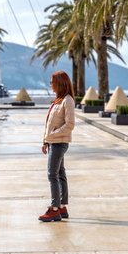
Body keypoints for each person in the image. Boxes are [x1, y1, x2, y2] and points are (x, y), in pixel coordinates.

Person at [39, 71, 75, 222]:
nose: (50, 84)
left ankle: (54, 209)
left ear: (60, 83)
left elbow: (70, 124)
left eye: (52, 81)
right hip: (54, 142)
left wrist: (53, 135)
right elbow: (51, 123)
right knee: (60, 174)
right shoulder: (59, 100)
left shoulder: (67, 100)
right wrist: (46, 141)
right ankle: (62, 207)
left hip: (59, 143)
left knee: (52, 175)